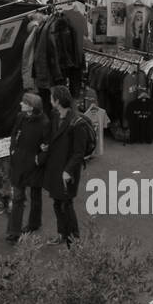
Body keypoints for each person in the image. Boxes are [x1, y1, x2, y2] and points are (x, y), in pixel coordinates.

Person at [37, 86, 91, 246]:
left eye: (52, 97)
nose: (49, 99)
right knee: (57, 203)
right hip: (55, 168)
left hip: (67, 172)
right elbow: (53, 137)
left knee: (66, 205)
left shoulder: (76, 123)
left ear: (57, 100)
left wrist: (68, 171)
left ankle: (74, 240)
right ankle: (62, 234)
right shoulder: (55, 115)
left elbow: (78, 153)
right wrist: (46, 146)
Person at [6, 93, 50, 243]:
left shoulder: (44, 123)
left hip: (33, 165)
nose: (20, 104)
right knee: (18, 197)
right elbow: (13, 135)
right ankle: (14, 231)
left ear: (32, 106)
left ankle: (34, 222)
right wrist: (13, 149)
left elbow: (47, 146)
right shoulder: (21, 117)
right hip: (19, 163)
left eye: (24, 103)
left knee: (35, 195)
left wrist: (39, 160)